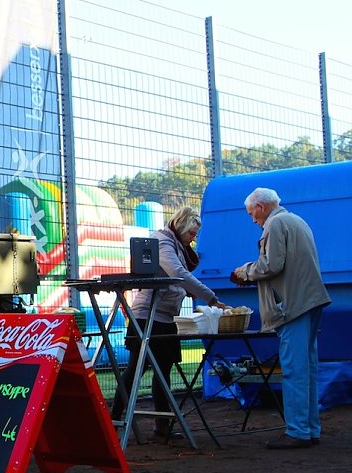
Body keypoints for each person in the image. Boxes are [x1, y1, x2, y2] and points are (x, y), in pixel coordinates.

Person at [112, 207, 227, 438]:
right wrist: (211, 298)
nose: (193, 239)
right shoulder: (163, 242)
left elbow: (177, 277)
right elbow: (178, 273)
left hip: (163, 315)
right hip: (148, 315)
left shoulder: (173, 244)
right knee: (137, 368)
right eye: (191, 233)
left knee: (162, 369)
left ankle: (159, 424)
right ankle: (115, 418)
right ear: (181, 227)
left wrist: (189, 291)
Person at [233, 187, 330, 450]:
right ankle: (309, 428)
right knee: (307, 367)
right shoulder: (297, 220)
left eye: (253, 214)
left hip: (292, 305)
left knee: (294, 369)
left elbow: (271, 265)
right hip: (309, 300)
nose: (253, 220)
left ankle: (297, 431)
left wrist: (245, 272)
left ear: (262, 207)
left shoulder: (275, 224)